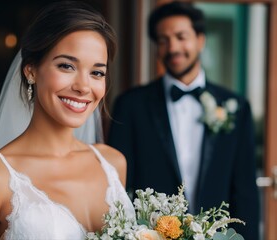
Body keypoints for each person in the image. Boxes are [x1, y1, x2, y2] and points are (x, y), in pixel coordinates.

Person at [0, 2, 135, 239]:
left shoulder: (113, 163)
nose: (83, 87)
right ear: (30, 70)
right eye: (66, 66)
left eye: (97, 72)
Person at [107, 1, 259, 239]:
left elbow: (246, 191)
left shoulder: (236, 107)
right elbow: (118, 186)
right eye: (163, 40)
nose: (173, 47)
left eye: (181, 36)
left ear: (200, 39)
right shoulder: (131, 105)